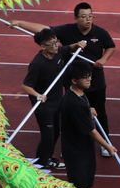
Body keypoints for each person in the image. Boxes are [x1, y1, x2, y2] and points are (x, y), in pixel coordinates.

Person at [9, 2, 116, 157]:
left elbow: (111, 46)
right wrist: (20, 23)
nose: (88, 19)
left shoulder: (100, 32)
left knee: (99, 111)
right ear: (76, 18)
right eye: (84, 16)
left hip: (95, 78)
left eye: (91, 16)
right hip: (72, 79)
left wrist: (104, 59)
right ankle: (72, 144)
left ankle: (105, 142)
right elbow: (44, 30)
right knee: (73, 111)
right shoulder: (66, 30)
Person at [59, 61, 117, 188]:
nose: (89, 79)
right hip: (76, 152)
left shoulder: (81, 95)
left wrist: (89, 110)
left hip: (84, 149)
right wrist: (107, 146)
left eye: (90, 76)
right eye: (86, 77)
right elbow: (90, 131)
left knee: (86, 185)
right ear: (74, 80)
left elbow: (86, 113)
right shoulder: (72, 102)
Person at [22, 29, 85, 170]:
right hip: (44, 106)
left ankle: (46, 158)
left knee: (56, 132)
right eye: (53, 44)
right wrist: (38, 95)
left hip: (57, 102)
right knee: (48, 136)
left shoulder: (58, 52)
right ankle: (39, 164)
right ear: (43, 47)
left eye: (57, 42)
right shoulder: (37, 63)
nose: (57, 45)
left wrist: (80, 44)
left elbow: (70, 47)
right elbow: (26, 85)